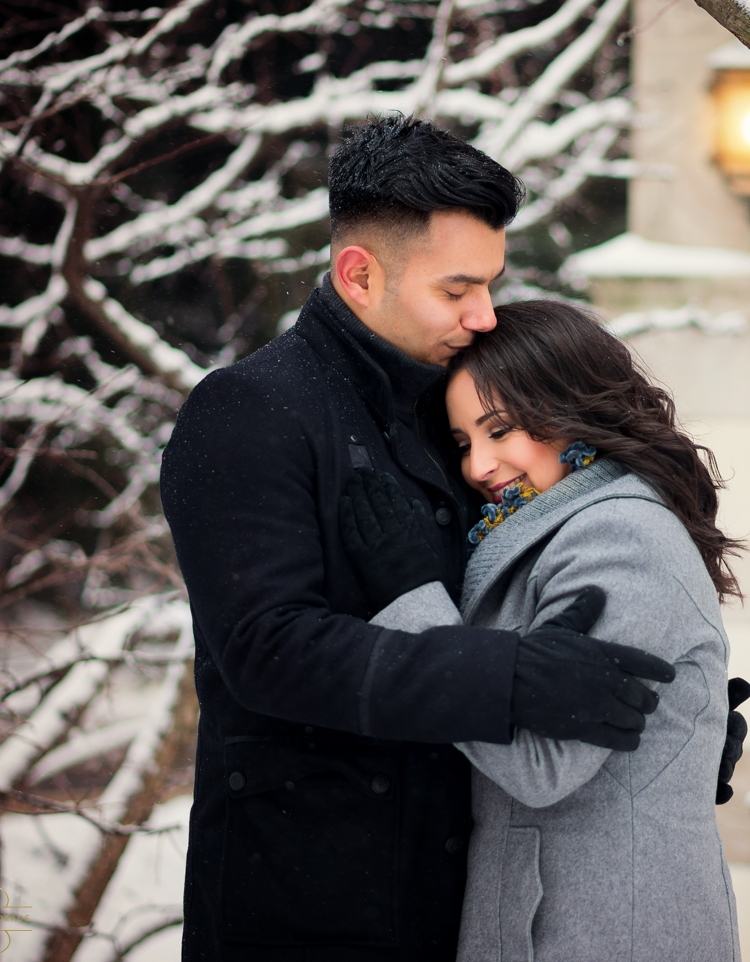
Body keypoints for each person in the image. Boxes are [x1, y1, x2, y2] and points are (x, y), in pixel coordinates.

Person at [160, 118, 710, 962]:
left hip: (458, 905)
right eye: (457, 290)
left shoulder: (451, 411)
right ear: (359, 273)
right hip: (309, 909)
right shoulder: (248, 412)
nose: (483, 313)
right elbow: (267, 647)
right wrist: (512, 679)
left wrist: (670, 713)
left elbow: (522, 591)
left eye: (491, 283)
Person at [343, 298, 747, 961]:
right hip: (559, 919)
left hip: (610, 927)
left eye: (501, 429)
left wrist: (410, 601)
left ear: (571, 409)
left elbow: (542, 763)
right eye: (465, 442)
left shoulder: (619, 537)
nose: (479, 466)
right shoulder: (554, 530)